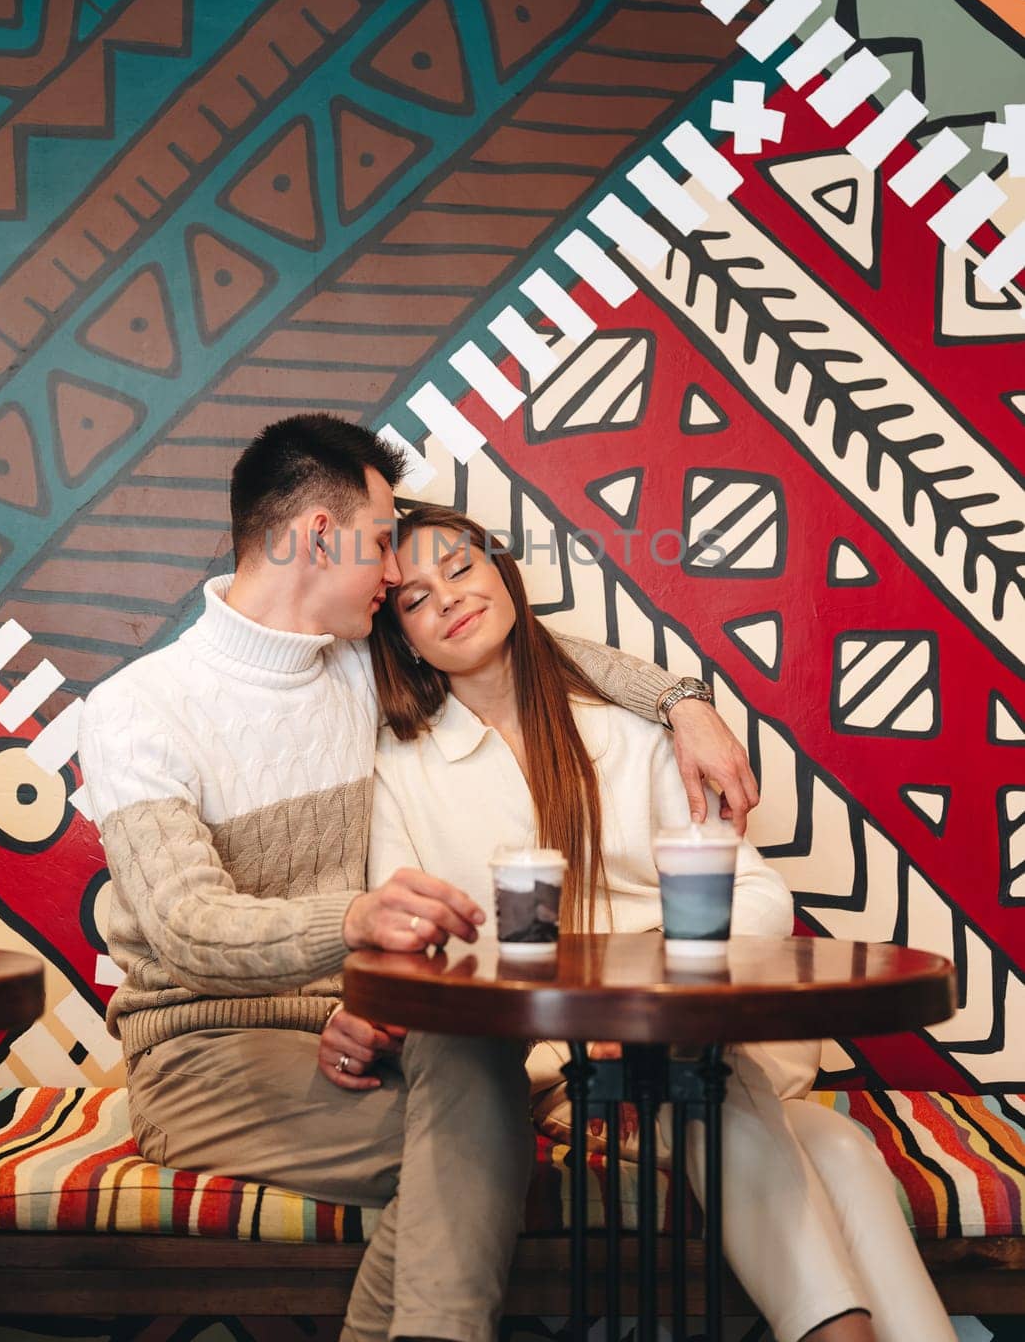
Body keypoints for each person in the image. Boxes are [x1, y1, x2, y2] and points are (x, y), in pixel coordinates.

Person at [77, 412, 760, 1342]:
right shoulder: (136, 711)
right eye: (381, 533)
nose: (397, 572)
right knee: (480, 1139)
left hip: (369, 1030)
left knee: (479, 1063)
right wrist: (354, 921)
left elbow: (525, 651)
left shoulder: (351, 664)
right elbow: (189, 926)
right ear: (322, 534)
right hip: (206, 1052)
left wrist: (683, 704)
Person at [348, 503, 956, 1342]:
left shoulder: (631, 734)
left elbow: (754, 893)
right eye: (414, 599)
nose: (448, 597)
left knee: (691, 1055)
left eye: (462, 567)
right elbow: (409, 936)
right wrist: (594, 1017)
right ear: (405, 639)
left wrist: (658, 984)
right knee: (837, 1149)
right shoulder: (402, 768)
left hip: (700, 1022)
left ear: (504, 577)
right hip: (551, 1061)